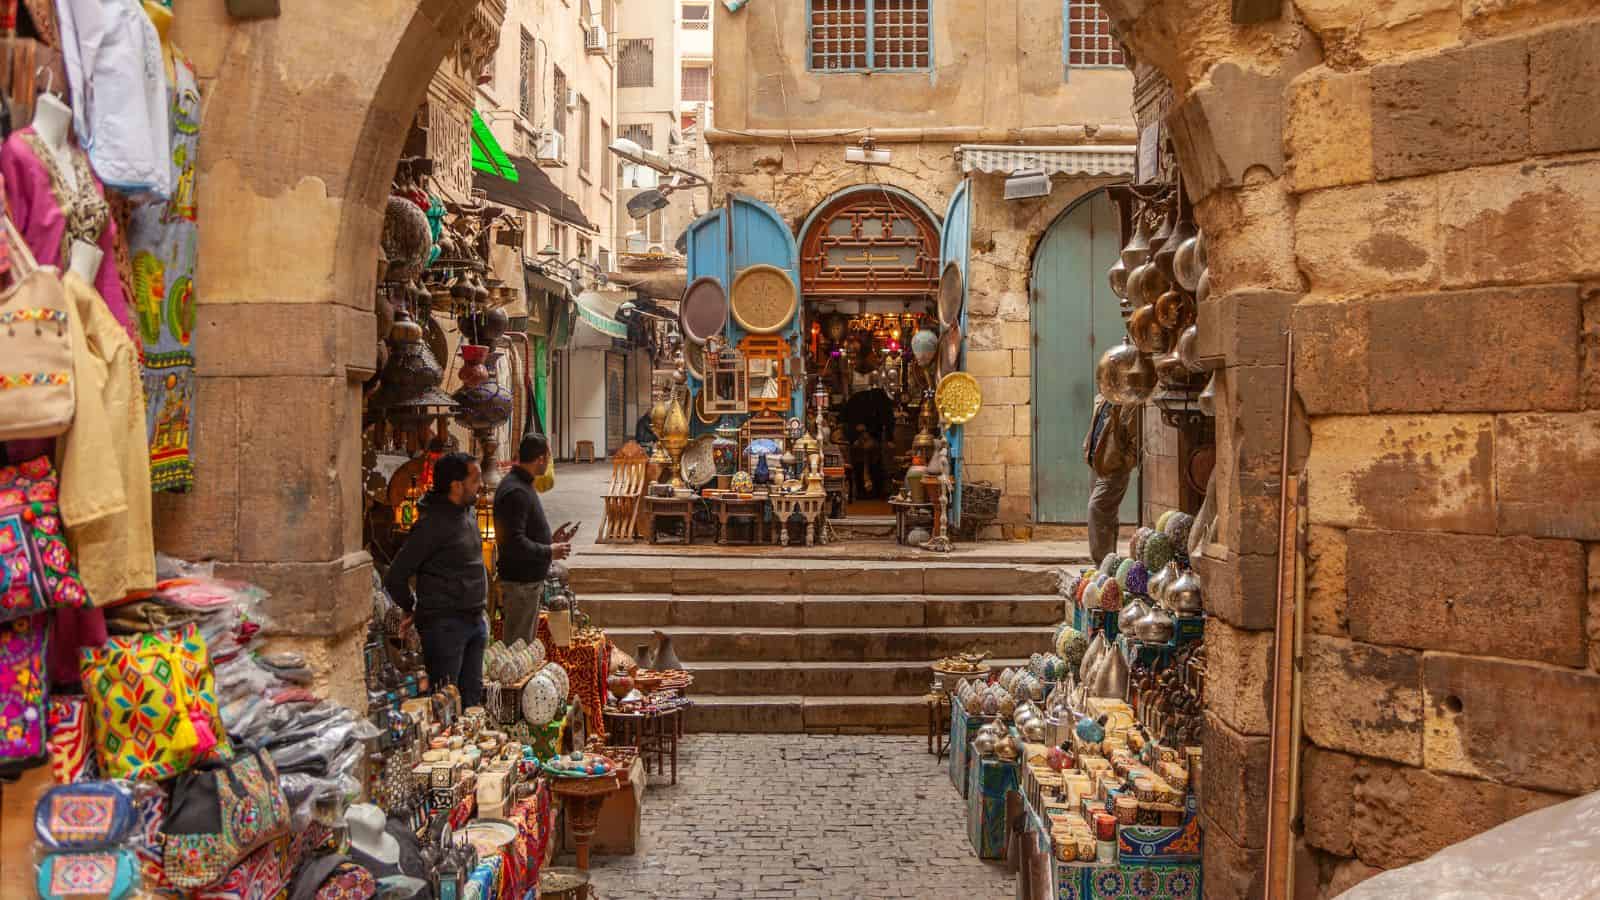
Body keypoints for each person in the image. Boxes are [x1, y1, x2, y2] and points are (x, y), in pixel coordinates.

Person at [383, 452, 489, 707]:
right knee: (446, 703)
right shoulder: (432, 524)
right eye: (475, 479)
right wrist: (411, 606)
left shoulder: (466, 513)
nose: (481, 485)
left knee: (472, 698)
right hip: (446, 627)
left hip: (473, 620)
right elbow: (396, 575)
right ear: (456, 485)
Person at [494, 434, 576, 643]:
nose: (548, 463)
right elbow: (514, 542)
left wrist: (549, 539)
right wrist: (549, 551)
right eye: (548, 457)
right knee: (518, 645)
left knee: (523, 643)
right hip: (520, 583)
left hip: (527, 582)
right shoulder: (516, 491)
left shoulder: (522, 484)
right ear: (540, 459)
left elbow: (523, 532)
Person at [1083, 393, 1142, 564]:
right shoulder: (1102, 399)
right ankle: (1110, 562)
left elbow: (1135, 443)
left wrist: (1122, 463)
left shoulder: (1130, 405)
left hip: (1114, 470)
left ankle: (1101, 564)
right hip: (1097, 465)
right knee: (1107, 516)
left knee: (1096, 509)